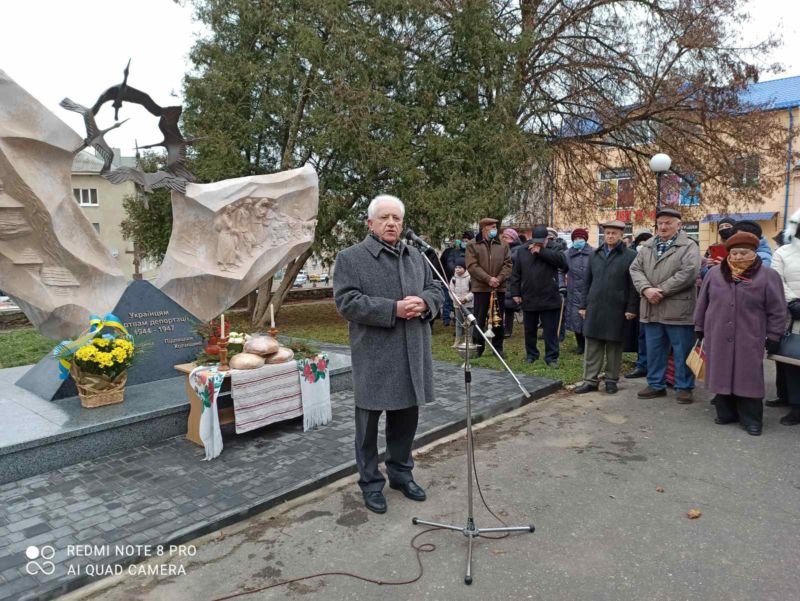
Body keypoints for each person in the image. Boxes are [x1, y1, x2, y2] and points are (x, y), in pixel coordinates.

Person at [333, 194, 443, 514]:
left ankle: (400, 474)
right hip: (375, 356)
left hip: (412, 354)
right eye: (384, 218)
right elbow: (347, 302)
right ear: (370, 223)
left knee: (405, 422)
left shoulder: (416, 256)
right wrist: (392, 309)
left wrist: (425, 303)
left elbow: (437, 289)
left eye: (396, 218)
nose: (391, 223)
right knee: (367, 427)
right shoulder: (351, 258)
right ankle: (370, 483)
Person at [694, 231, 786, 435]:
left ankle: (751, 419)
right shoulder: (715, 273)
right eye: (734, 253)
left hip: (750, 335)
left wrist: (773, 335)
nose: (738, 257)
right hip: (717, 333)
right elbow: (703, 303)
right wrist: (699, 327)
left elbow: (777, 309)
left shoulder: (768, 275)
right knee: (721, 373)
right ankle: (726, 413)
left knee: (748, 377)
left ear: (754, 253)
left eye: (743, 253)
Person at [629, 208, 701, 404]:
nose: (663, 226)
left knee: (682, 351)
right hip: (651, 307)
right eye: (660, 223)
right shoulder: (648, 246)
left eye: (668, 223)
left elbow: (689, 272)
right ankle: (655, 384)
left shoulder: (689, 246)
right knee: (654, 349)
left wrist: (659, 290)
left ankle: (684, 387)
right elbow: (635, 269)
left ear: (679, 225)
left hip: (678, 309)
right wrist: (645, 289)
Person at [575, 221, 638, 394]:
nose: (610, 236)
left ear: (621, 236)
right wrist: (583, 305)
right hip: (594, 307)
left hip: (617, 307)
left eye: (614, 233)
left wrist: (631, 308)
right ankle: (590, 380)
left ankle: (611, 380)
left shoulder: (630, 256)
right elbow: (586, 281)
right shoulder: (594, 254)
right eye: (608, 233)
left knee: (613, 346)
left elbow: (634, 285)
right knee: (592, 345)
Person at [510, 224, 569, 368]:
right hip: (529, 295)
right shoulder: (523, 250)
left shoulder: (555, 248)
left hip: (549, 296)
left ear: (546, 239)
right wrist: (515, 292)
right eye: (535, 240)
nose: (537, 243)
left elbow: (563, 264)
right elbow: (516, 273)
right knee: (530, 330)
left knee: (550, 330)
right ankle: (531, 354)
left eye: (540, 241)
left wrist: (541, 251)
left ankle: (551, 357)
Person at [767, 208, 800, 425]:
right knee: (791, 362)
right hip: (792, 314)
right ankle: (795, 405)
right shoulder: (783, 252)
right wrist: (793, 302)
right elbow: (776, 279)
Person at [466, 217, 512, 358]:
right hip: (481, 288)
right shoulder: (473, 245)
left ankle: (497, 347)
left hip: (499, 288)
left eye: (495, 226)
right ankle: (479, 347)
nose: (494, 229)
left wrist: (498, 279)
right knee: (479, 319)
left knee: (498, 318)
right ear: (483, 228)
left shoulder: (503, 244)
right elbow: (472, 266)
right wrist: (488, 279)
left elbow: (508, 264)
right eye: (491, 226)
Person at [625, 231, 653, 379]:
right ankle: (642, 365)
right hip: (639, 301)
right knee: (641, 335)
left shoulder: (655, 257)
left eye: (645, 244)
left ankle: (660, 369)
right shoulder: (634, 259)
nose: (641, 247)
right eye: (639, 244)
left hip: (656, 299)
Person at [564, 228, 593, 354]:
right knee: (575, 319)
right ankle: (580, 345)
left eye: (580, 238)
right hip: (573, 290)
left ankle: (590, 345)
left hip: (589, 290)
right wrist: (562, 285)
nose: (578, 241)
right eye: (575, 239)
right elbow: (560, 270)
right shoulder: (567, 254)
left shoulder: (594, 252)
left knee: (589, 319)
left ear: (585, 239)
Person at [501, 228, 523, 337]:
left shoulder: (517, 250)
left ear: (512, 238)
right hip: (502, 280)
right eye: (503, 237)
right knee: (501, 307)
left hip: (511, 280)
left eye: (506, 237)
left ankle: (508, 330)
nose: (504, 239)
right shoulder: (503, 248)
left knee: (509, 307)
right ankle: (501, 328)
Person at [449, 257, 473, 347]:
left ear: (465, 268)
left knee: (469, 323)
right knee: (459, 323)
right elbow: (451, 291)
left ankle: (469, 340)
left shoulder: (470, 278)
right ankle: (457, 340)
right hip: (457, 305)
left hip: (469, 305)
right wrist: (455, 299)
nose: (457, 269)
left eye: (460, 267)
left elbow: (473, 291)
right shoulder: (453, 279)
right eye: (456, 267)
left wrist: (466, 298)